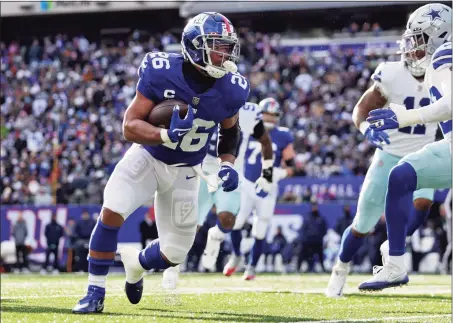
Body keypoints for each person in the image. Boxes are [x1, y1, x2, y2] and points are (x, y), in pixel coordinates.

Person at [73, 12, 249, 313]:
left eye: (227, 47)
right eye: (217, 46)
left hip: (187, 172)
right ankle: (94, 291)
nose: (224, 54)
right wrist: (164, 134)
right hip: (150, 157)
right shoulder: (161, 70)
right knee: (113, 209)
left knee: (176, 253)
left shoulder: (233, 87)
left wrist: (227, 164)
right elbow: (129, 126)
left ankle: (136, 266)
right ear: (195, 46)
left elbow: (231, 130)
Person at [325, 3, 442, 297]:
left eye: (420, 41)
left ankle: (393, 249)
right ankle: (340, 269)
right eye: (412, 41)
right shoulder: (391, 74)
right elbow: (361, 109)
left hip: (424, 151)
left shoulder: (444, 72)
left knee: (422, 207)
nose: (412, 48)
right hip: (390, 153)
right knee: (363, 223)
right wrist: (367, 131)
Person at [359, 3, 451, 291]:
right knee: (401, 175)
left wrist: (404, 117)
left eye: (420, 38)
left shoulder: (444, 57)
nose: (413, 47)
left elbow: (449, 105)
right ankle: (395, 264)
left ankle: (395, 263)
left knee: (401, 175)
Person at [224, 98, 296, 280]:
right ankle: (237, 255)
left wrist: (279, 174)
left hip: (268, 187)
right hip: (247, 184)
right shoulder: (247, 131)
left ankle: (252, 266)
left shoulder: (283, 135)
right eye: (266, 114)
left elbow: (292, 167)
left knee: (261, 228)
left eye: (273, 115)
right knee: (236, 222)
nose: (270, 118)